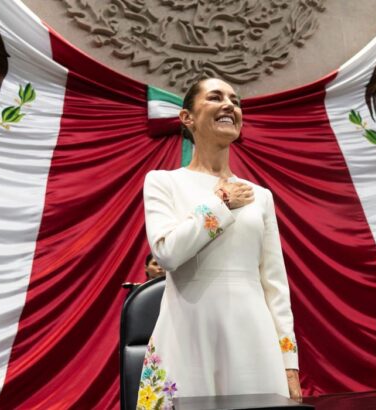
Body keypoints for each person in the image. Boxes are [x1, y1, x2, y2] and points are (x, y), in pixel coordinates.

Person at [139, 78, 300, 408]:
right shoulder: (163, 182)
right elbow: (167, 253)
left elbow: (275, 286)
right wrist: (219, 204)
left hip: (253, 338)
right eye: (215, 98)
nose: (230, 105)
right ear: (187, 118)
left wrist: (290, 363)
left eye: (236, 101)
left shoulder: (261, 197)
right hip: (187, 334)